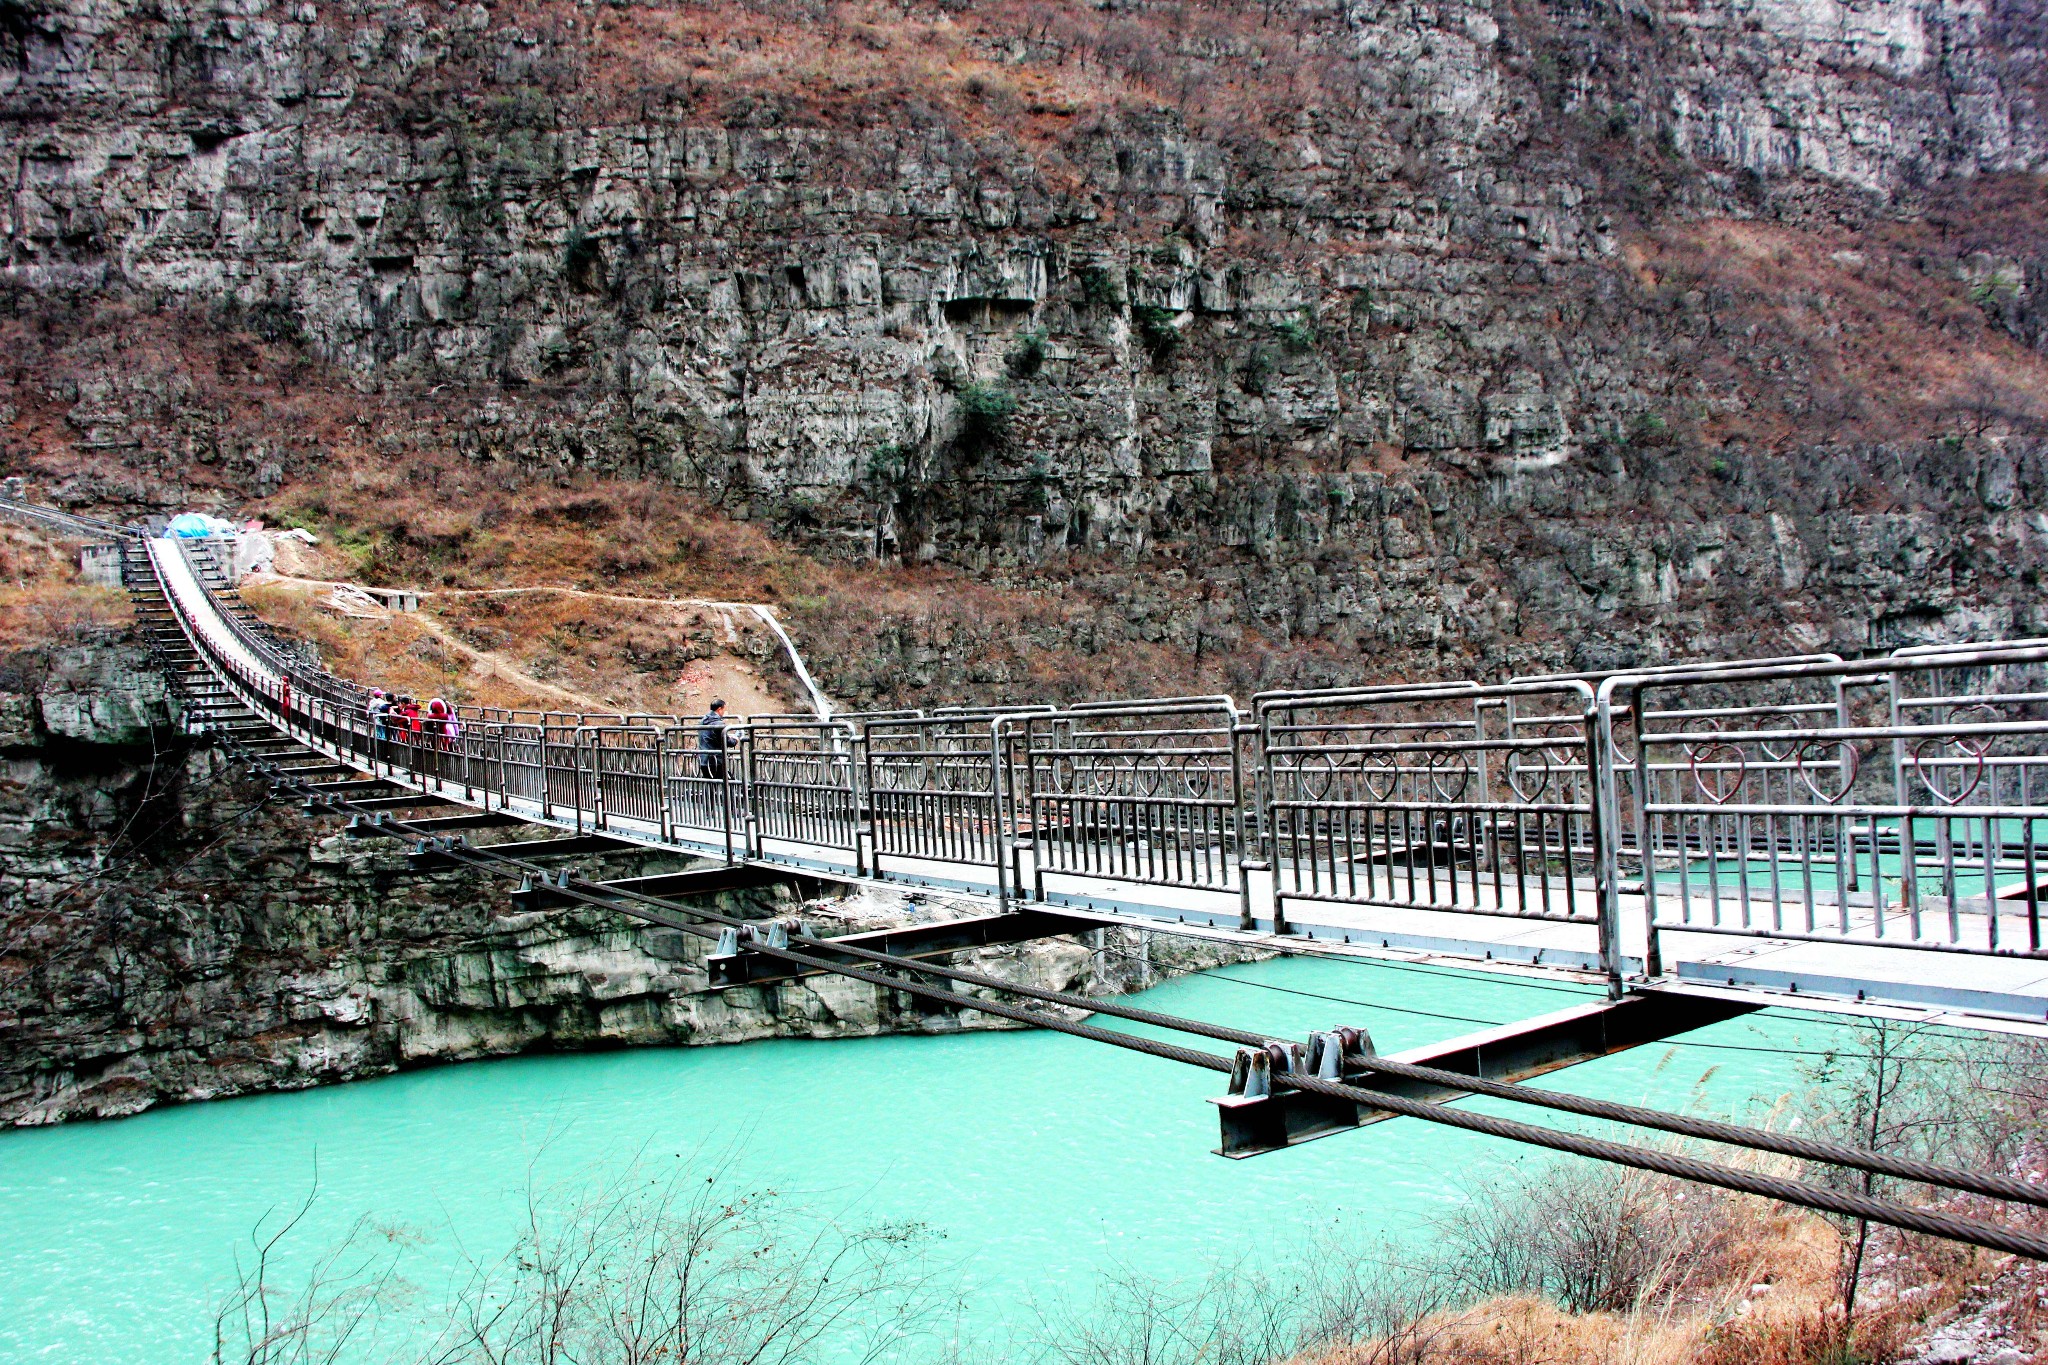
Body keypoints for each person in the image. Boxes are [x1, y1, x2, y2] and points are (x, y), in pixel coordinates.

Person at [696, 699, 728, 780]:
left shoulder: (702, 721)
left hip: (703, 760)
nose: (724, 712)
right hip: (715, 761)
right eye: (724, 709)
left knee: (711, 787)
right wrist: (736, 738)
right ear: (719, 709)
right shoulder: (717, 724)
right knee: (730, 785)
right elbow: (727, 741)